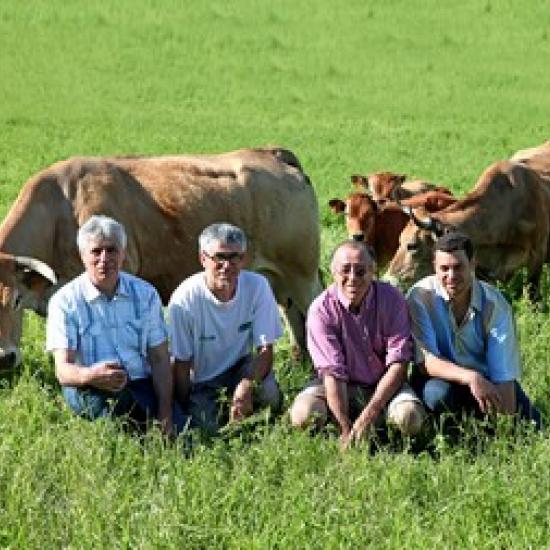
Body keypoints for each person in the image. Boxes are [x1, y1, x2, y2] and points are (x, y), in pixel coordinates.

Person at [46, 215, 185, 436]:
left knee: (182, 430)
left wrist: (165, 412)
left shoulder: (145, 294)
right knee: (117, 424)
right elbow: (63, 371)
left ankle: (150, 418)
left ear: (123, 254)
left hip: (140, 382)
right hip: (89, 386)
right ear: (82, 256)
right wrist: (92, 375)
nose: (104, 259)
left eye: (111, 250)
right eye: (96, 251)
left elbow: (159, 358)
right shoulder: (65, 302)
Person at [290, 240, 425, 447]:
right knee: (304, 415)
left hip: (382, 384)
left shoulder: (392, 299)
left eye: (361, 271)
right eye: (345, 270)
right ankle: (339, 428)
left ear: (373, 271)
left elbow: (399, 364)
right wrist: (345, 427)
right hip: (336, 386)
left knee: (410, 418)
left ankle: (385, 435)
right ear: (333, 272)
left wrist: (368, 416)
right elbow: (332, 373)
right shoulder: (320, 310)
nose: (353, 278)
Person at [406, 231, 541, 428]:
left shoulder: (495, 305)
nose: (451, 276)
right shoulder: (420, 297)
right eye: (444, 268)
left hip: (486, 380)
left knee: (534, 425)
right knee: (438, 396)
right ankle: (451, 432)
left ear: (473, 264)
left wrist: (505, 425)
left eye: (458, 267)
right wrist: (470, 377)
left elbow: (503, 374)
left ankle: (483, 426)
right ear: (434, 267)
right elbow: (426, 362)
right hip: (438, 378)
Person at [168, 223, 283, 433]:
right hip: (203, 379)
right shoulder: (184, 300)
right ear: (203, 258)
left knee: (269, 397)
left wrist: (247, 385)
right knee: (205, 427)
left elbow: (266, 350)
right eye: (219, 258)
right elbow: (181, 363)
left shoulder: (258, 286)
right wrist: (182, 408)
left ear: (243, 259)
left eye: (234, 257)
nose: (227, 266)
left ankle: (253, 425)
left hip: (241, 366)